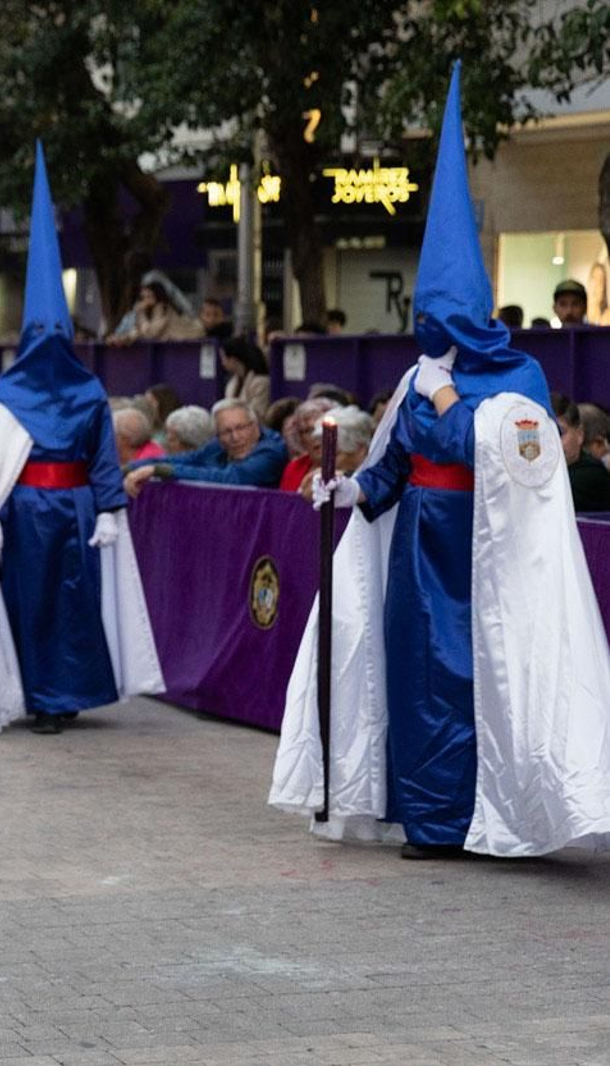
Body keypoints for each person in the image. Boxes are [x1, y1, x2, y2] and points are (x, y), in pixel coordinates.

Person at [274, 64, 610, 859]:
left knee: (488, 683)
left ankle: (497, 813)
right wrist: (350, 485)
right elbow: (393, 466)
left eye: (441, 315)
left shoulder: (521, 377)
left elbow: (515, 465)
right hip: (421, 546)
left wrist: (453, 401)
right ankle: (431, 821)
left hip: (492, 555)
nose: (429, 329)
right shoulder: (417, 375)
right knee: (421, 682)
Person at [0, 143, 163, 736]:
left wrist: (108, 507)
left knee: (74, 604)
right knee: (36, 602)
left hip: (73, 509)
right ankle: (40, 693)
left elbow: (102, 454)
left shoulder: (84, 394)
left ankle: (67, 691)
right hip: (29, 509)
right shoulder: (10, 395)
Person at [123, 398, 286, 494]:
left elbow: (230, 478)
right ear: (217, 435)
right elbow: (188, 459)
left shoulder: (271, 451)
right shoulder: (219, 445)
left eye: (241, 428)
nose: (235, 437)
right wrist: (129, 468)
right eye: (226, 431)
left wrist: (160, 470)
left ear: (255, 425)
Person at [553, 395, 610, 512]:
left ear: (579, 435)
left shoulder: (591, 474)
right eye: (546, 433)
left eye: (560, 432)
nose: (553, 442)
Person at [277, 398, 337, 492]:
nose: (316, 435)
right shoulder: (294, 468)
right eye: (308, 431)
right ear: (300, 438)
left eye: (322, 427)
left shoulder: (349, 465)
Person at [220, 337, 270, 418]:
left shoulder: (260, 383)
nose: (223, 363)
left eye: (223, 358)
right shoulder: (232, 384)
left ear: (233, 359)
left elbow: (258, 414)